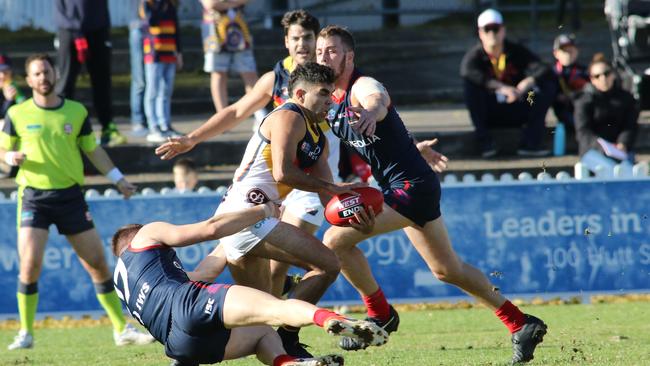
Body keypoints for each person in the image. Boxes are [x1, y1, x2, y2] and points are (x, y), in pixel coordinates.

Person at [316, 25, 547, 364]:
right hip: (407, 183)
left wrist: (370, 111)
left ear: (349, 57)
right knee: (447, 270)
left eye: (331, 51)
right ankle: (521, 323)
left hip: (411, 188)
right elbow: (389, 132)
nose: (323, 56)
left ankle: (380, 314)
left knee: (335, 241)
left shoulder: (361, 87)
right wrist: (413, 148)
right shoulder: (331, 99)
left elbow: (377, 99)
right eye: (320, 51)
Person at [111, 202, 389, 366]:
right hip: (189, 303)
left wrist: (231, 237)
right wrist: (261, 210)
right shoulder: (144, 234)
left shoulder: (124, 281)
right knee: (275, 309)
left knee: (262, 333)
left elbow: (205, 273)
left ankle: (290, 364)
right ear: (134, 237)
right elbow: (209, 229)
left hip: (180, 346)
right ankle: (332, 320)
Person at [0, 54, 153, 350]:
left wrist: (118, 179)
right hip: (34, 197)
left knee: (97, 264)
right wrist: (8, 157)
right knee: (29, 266)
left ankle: (121, 330)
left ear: (55, 74)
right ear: (29, 80)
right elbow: (2, 149)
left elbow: (93, 151)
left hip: (70, 196)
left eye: (46, 72)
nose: (43, 78)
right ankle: (26, 333)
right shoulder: (17, 114)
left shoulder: (76, 111)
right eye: (36, 74)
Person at [460, 9, 555, 158]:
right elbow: (467, 71)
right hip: (490, 111)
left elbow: (543, 68)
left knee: (545, 86)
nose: (492, 33)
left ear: (503, 30)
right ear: (480, 33)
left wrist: (527, 83)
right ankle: (485, 142)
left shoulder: (515, 51)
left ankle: (531, 143)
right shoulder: (475, 56)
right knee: (470, 88)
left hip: (518, 105)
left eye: (496, 28)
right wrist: (501, 87)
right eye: (487, 29)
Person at [54, 0, 127, 146]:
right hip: (68, 28)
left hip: (97, 28)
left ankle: (107, 127)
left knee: (102, 82)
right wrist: (74, 27)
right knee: (65, 82)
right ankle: (60, 127)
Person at [200, 0, 266, 123]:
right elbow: (210, 4)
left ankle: (259, 114)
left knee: (249, 72)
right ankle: (222, 119)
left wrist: (224, 3)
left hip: (239, 27)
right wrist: (234, 3)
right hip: (214, 31)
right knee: (218, 73)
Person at [574, 53, 639, 173]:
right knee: (609, 170)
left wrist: (623, 143)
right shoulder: (584, 101)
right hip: (593, 150)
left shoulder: (626, 98)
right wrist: (602, 147)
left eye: (606, 74)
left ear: (613, 75)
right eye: (597, 76)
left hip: (621, 150)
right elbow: (583, 132)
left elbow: (630, 126)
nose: (603, 78)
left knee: (628, 172)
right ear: (592, 79)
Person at [141, 0, 184, 143]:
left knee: (166, 91)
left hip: (169, 52)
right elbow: (151, 20)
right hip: (153, 53)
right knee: (152, 90)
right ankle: (153, 126)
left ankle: (165, 124)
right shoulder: (147, 3)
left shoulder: (170, 4)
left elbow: (176, 28)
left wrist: (179, 52)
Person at [551, 34, 589, 128]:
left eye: (571, 50)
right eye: (564, 51)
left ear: (577, 51)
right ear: (556, 53)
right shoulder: (551, 72)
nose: (568, 53)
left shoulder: (586, 72)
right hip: (563, 112)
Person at [128, 0, 149, 137]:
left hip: (156, 29)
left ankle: (151, 120)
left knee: (154, 80)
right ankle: (138, 120)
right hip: (139, 28)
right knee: (140, 79)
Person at [0, 53, 26, 119]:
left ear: (11, 72)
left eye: (5, 71)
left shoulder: (15, 87)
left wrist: (21, 102)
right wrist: (8, 101)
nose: (2, 75)